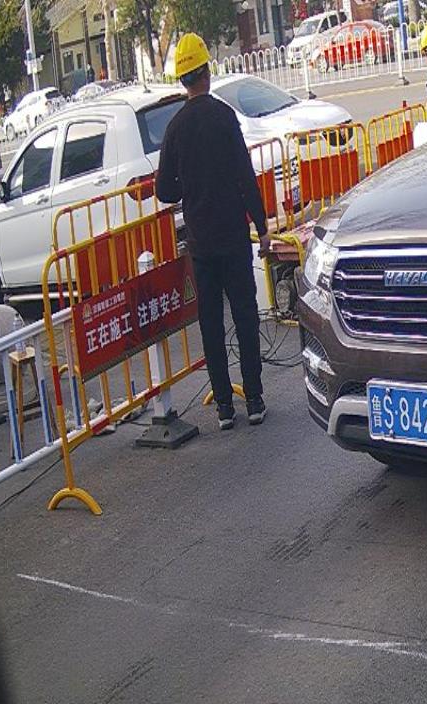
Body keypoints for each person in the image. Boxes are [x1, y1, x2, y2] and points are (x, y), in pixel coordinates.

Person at [156, 33, 271, 430]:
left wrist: (188, 187)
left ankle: (224, 406)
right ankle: (254, 399)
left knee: (211, 325)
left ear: (182, 79)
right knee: (245, 317)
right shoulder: (224, 116)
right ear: (206, 72)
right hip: (234, 236)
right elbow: (245, 176)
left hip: (201, 243)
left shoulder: (175, 128)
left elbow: (164, 190)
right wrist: (263, 228)